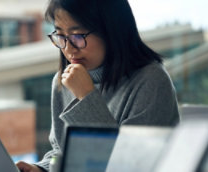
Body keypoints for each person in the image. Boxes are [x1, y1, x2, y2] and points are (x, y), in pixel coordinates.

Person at [16, 0, 180, 171]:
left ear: (111, 31)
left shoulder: (151, 80)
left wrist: (87, 97)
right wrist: (41, 169)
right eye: (61, 36)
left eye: (78, 36)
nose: (69, 49)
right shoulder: (63, 80)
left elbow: (130, 163)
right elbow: (60, 151)